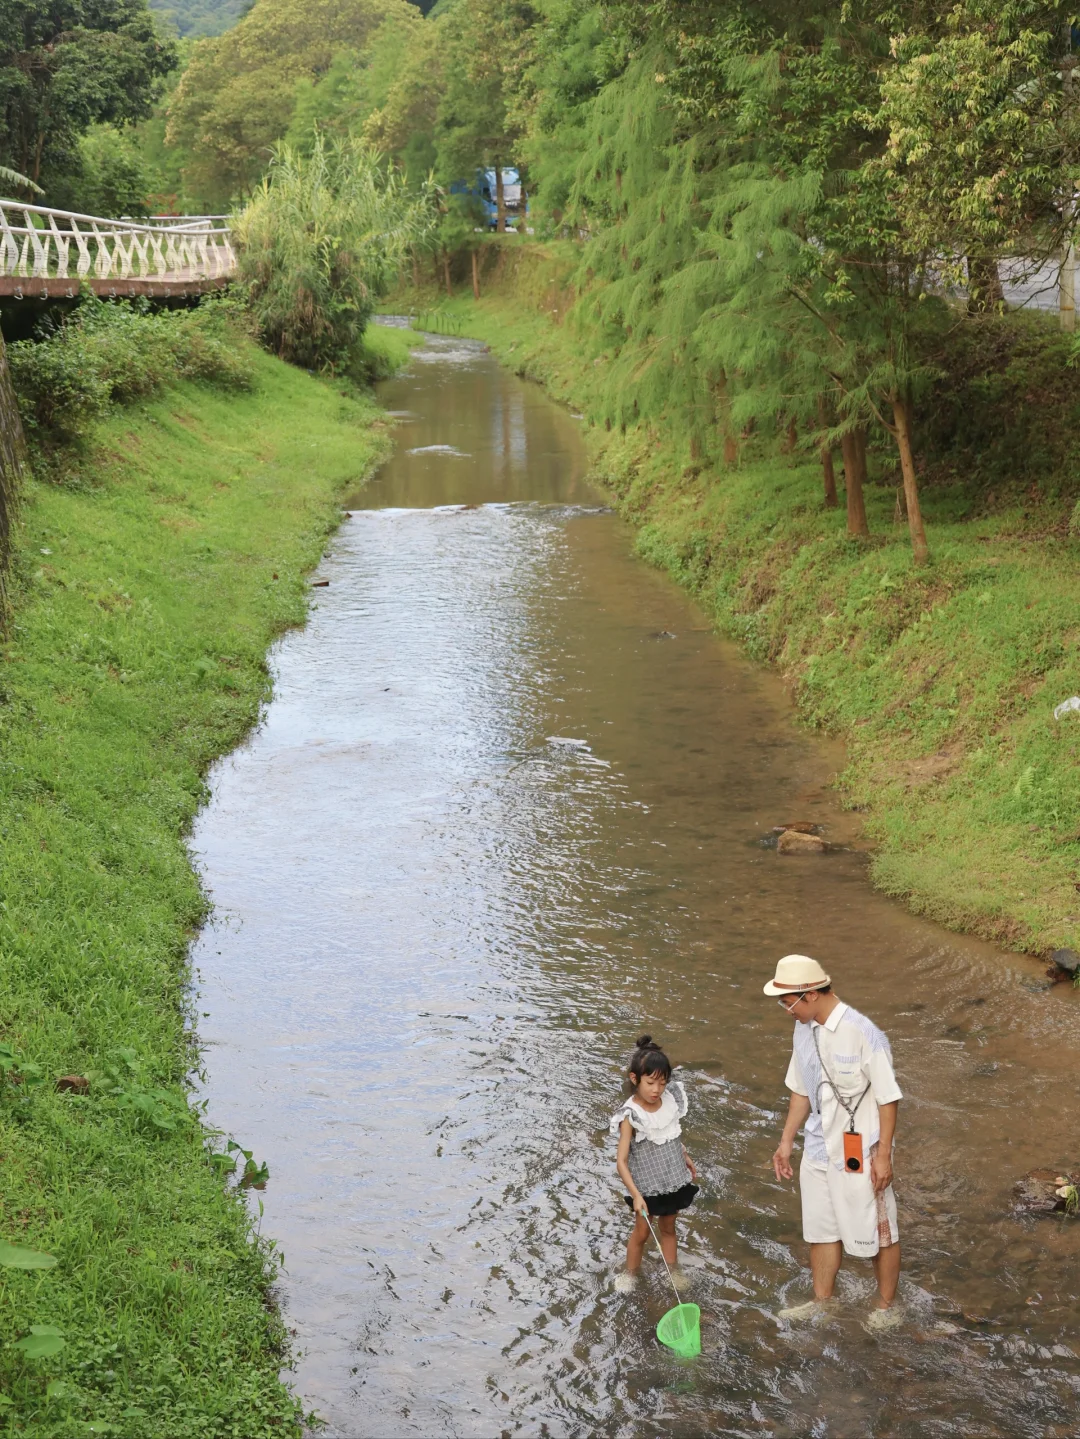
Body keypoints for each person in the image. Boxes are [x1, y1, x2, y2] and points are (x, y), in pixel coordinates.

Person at [764, 954, 903, 1330]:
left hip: (862, 1150)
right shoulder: (802, 1029)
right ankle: (822, 1302)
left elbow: (888, 1098)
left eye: (786, 1001)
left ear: (809, 994)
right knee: (821, 1228)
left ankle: (887, 1306)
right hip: (817, 1147)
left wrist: (884, 1156)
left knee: (879, 1228)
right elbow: (800, 1090)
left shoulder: (863, 1033)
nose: (784, 1009)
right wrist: (785, 1142)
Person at [611, 1035, 699, 1294]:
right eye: (650, 1083)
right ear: (635, 1079)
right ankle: (630, 1273)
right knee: (641, 1232)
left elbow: (670, 1134)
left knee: (669, 1227)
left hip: (672, 1176)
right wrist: (636, 1195)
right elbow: (621, 1161)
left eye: (662, 1083)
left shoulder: (669, 1101)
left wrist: (684, 1155)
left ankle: (673, 1272)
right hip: (647, 1187)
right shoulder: (631, 1115)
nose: (656, 1090)